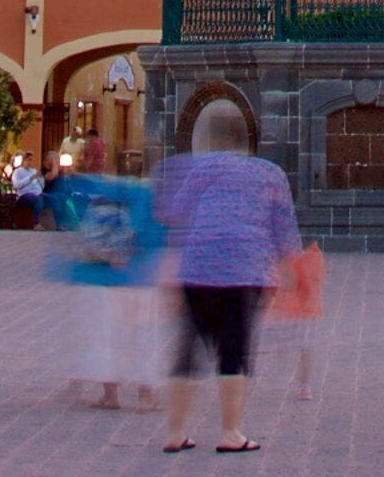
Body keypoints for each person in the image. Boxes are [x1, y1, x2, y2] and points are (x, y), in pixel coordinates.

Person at [154, 111, 299, 455]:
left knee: (187, 350)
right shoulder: (270, 173)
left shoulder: (201, 168)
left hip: (198, 268)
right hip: (246, 270)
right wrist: (289, 270)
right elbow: (284, 227)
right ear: (249, 138)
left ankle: (175, 432)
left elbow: (176, 213)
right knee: (234, 349)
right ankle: (230, 432)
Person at [49, 161, 164, 407]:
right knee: (143, 336)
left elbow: (69, 221)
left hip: (97, 277)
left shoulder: (94, 194)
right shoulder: (147, 195)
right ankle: (146, 396)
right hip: (139, 277)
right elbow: (157, 235)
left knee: (105, 336)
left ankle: (110, 395)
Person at [270, 239, 326, 399]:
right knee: (306, 347)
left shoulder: (289, 258)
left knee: (288, 340)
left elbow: (288, 284)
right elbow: (318, 280)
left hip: (291, 310)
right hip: (310, 308)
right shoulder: (316, 256)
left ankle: (283, 366)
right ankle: (305, 387)